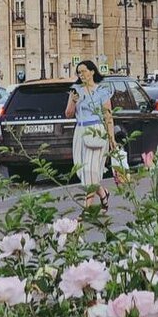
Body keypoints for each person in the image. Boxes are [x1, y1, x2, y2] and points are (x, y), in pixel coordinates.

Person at [65, 59, 116, 210]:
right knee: (82, 171)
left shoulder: (102, 91)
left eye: (84, 71)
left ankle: (85, 211)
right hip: (81, 132)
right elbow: (68, 114)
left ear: (92, 71)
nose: (81, 75)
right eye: (79, 72)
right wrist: (73, 102)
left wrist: (111, 137)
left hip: (97, 131)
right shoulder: (75, 90)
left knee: (91, 171)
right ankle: (103, 193)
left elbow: (108, 116)